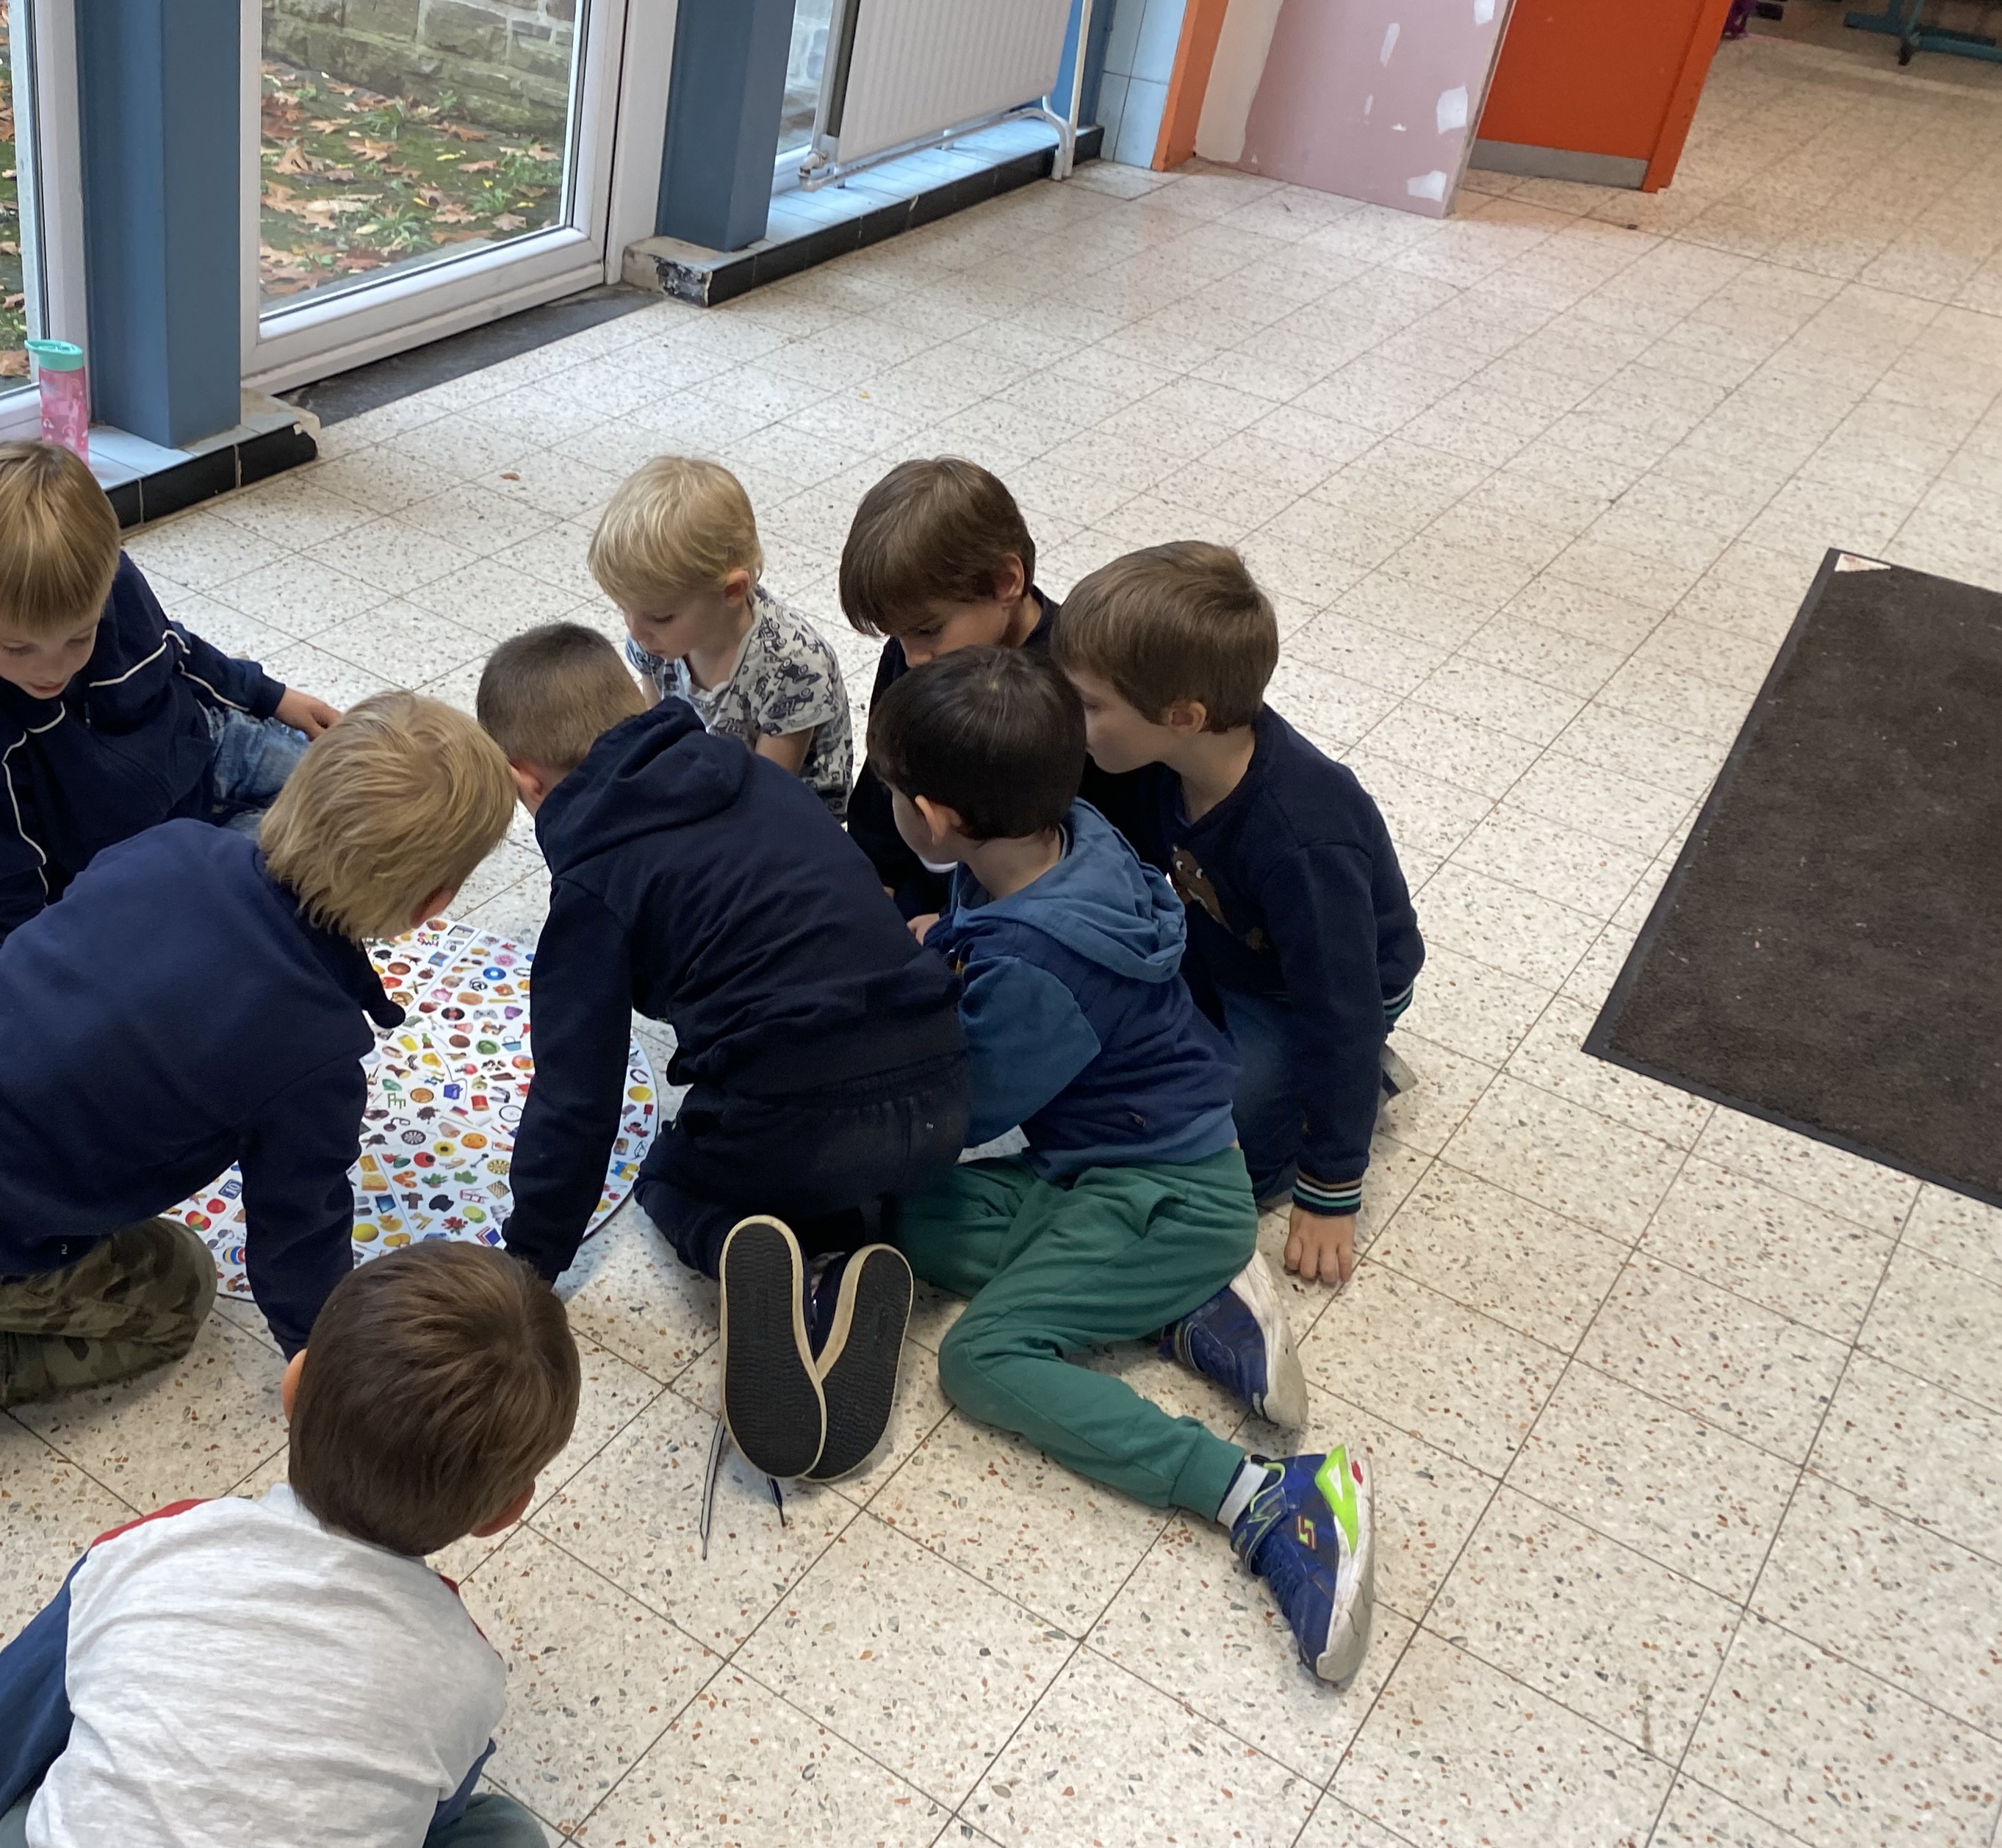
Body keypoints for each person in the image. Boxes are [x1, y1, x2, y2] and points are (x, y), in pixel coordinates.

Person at [0, 692, 519, 1417]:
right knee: (179, 1287)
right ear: (431, 904)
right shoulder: (317, 1052)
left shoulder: (174, 844)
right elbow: (296, 1232)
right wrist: (320, 1355)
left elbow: (70, 950)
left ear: (295, 788)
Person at [871, 648, 1378, 1683]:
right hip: (1125, 1166)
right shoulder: (1067, 833)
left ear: (934, 817)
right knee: (913, 1218)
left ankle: (1267, 1498)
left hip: (1164, 1196)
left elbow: (969, 1111)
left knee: (981, 1361)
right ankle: (1187, 1305)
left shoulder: (1036, 966)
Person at [0, 1241, 578, 1848]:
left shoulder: (144, 1552)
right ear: (504, 1513)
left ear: (293, 1387)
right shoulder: (469, 1673)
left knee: (48, 1781)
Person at [475, 624, 965, 1484]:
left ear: (525, 779)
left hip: (797, 1118)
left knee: (668, 1170)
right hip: (943, 1085)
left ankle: (767, 1258)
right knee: (825, 1135)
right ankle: (845, 1250)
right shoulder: (755, 775)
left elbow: (577, 1095)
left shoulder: (595, 876)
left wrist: (528, 1263)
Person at [1054, 542, 1424, 1287]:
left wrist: (1330, 1188)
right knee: (1112, 1060)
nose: (1072, 721)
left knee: (1227, 1140)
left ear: (1182, 716)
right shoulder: (1166, 758)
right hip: (1223, 948)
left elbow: (1340, 1007)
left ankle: (1357, 1089)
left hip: (1313, 997)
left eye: (1090, 706)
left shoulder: (1301, 837)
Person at [0, 438, 345, 941]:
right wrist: (32, 955)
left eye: (80, 638)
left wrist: (271, 696)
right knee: (240, 903)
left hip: (204, 749)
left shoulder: (106, 575)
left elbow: (176, 648)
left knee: (353, 796)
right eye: (18, 648)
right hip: (118, 852)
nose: (53, 669)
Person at [836, 456, 1158, 916]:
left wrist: (957, 924)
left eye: (927, 629)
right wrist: (872, 884)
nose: (911, 657)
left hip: (1024, 916)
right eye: (897, 635)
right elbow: (885, 784)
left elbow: (1105, 848)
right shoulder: (920, 655)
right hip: (923, 892)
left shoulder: (1082, 687)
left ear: (1006, 582)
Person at [586, 455, 855, 812]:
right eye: (624, 609)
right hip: (705, 788)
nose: (635, 633)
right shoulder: (655, 640)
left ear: (732, 591)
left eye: (661, 617)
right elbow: (659, 735)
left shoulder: (793, 666)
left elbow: (769, 798)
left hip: (783, 816)